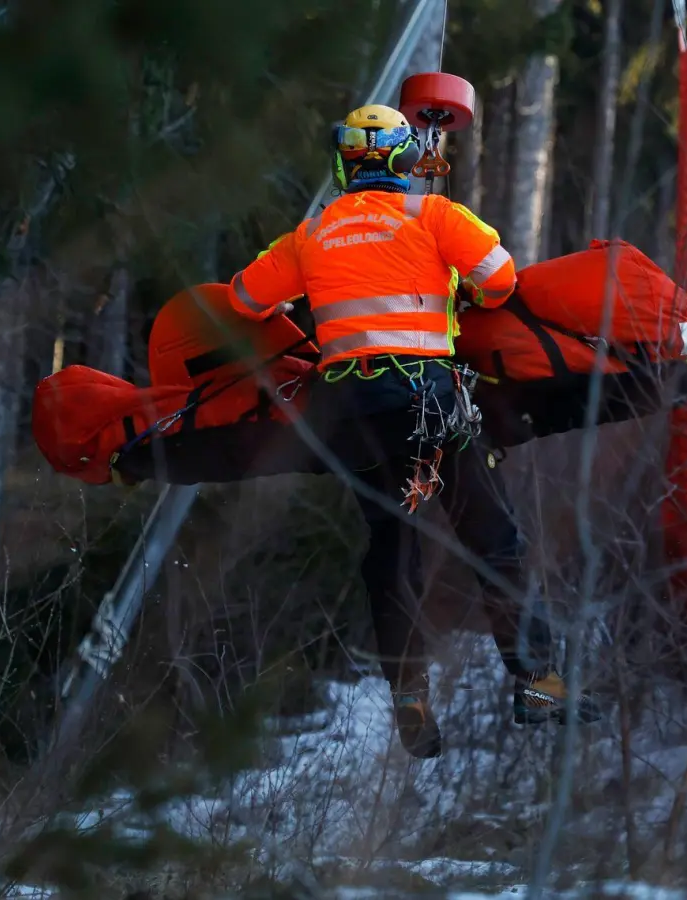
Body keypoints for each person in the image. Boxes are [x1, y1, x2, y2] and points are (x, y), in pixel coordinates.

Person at [226, 104, 597, 759]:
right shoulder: (432, 216)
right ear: (402, 162)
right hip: (429, 405)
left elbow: (245, 299)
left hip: (352, 419)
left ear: (343, 163)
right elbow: (501, 279)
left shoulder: (311, 235)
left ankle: (409, 699)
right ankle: (537, 681)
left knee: (393, 552)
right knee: (494, 539)